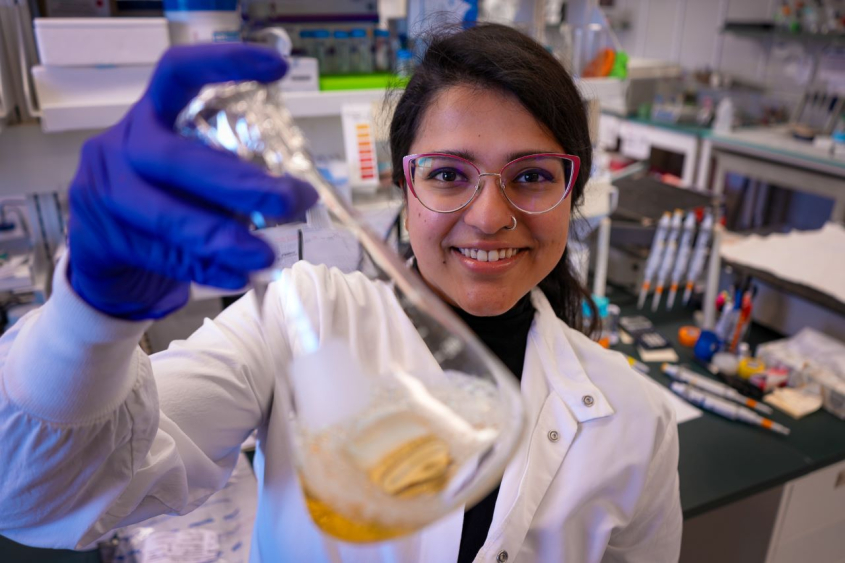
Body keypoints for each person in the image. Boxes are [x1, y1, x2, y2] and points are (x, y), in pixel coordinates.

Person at [0, 24, 681, 563]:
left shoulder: (634, 416)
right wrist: (87, 321)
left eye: (531, 176)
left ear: (574, 189)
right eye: (448, 173)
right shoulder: (299, 318)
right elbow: (43, 499)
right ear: (401, 186)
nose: (489, 216)